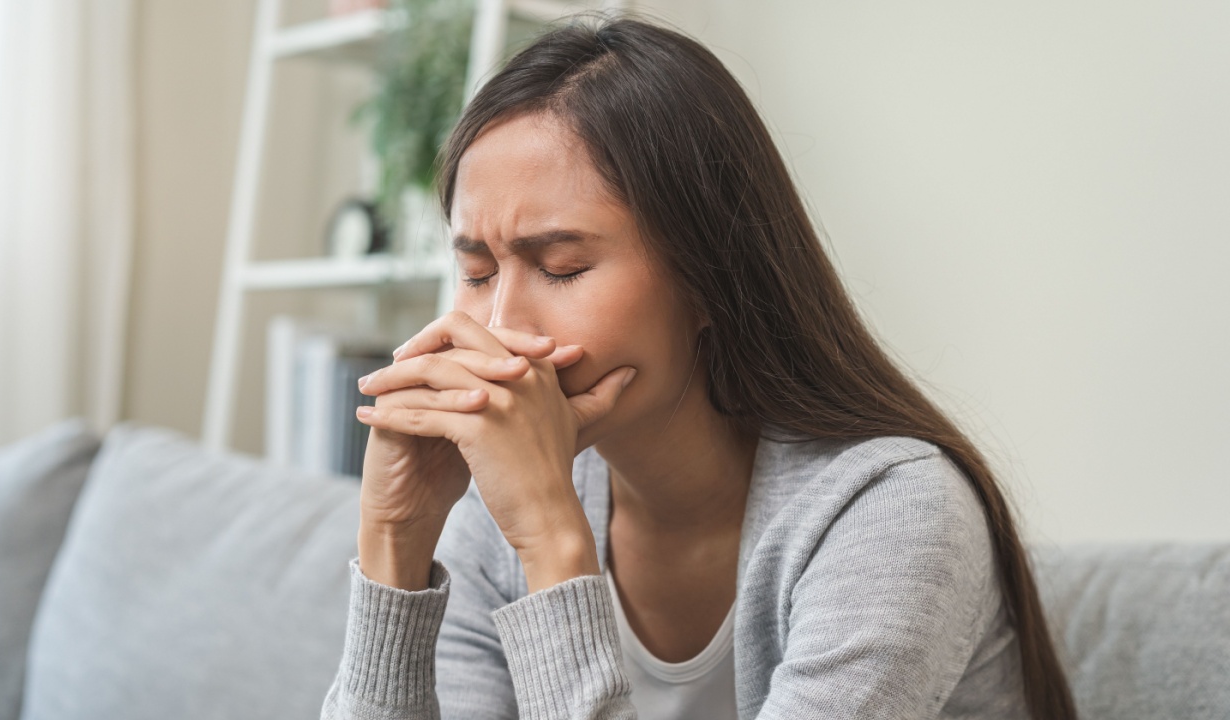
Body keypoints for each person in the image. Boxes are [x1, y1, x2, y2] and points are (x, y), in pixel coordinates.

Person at [321, 12, 1078, 720]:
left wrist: (554, 543)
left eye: (560, 265)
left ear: (709, 274)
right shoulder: (493, 512)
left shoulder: (892, 512)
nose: (498, 327)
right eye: (479, 272)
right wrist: (395, 540)